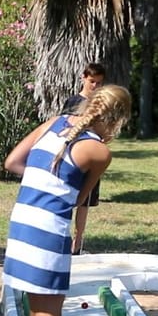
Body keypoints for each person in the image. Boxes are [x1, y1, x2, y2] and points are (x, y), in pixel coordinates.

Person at [2, 85, 132, 316]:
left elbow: (13, 162)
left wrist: (41, 176)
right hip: (48, 233)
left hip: (22, 225)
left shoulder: (56, 121)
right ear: (117, 120)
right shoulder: (100, 153)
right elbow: (78, 199)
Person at [61, 63, 106, 255]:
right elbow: (64, 126)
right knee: (67, 197)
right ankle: (64, 239)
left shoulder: (101, 104)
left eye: (99, 83)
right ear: (83, 78)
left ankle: (77, 244)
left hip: (92, 156)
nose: (95, 86)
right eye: (92, 81)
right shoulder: (73, 102)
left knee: (85, 202)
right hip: (74, 156)